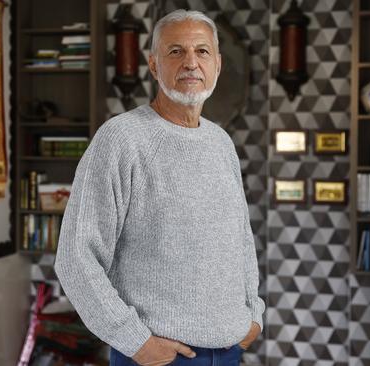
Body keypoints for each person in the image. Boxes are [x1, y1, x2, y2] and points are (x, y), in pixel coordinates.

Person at [54, 9, 265, 366]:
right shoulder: (121, 139)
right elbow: (76, 258)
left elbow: (241, 240)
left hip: (229, 350)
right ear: (153, 66)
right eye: (175, 51)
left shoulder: (221, 142)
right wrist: (136, 342)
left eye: (201, 52)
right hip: (157, 357)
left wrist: (253, 316)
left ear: (217, 64)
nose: (190, 63)